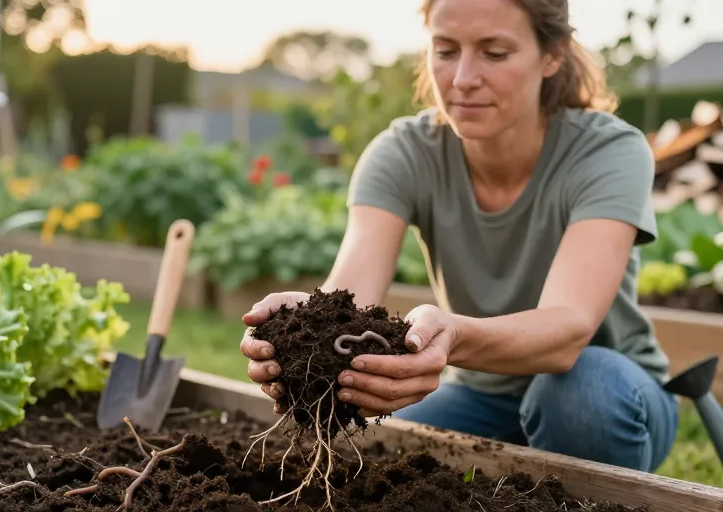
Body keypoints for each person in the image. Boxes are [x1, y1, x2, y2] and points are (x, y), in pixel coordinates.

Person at [239, 0, 679, 474]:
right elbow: (348, 294)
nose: (464, 78)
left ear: (553, 54)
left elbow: (567, 331)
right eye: (446, 50)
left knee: (580, 393)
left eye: (495, 53)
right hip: (481, 393)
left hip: (607, 390)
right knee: (377, 459)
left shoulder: (608, 151)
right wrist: (303, 331)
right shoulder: (404, 153)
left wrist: (453, 334)